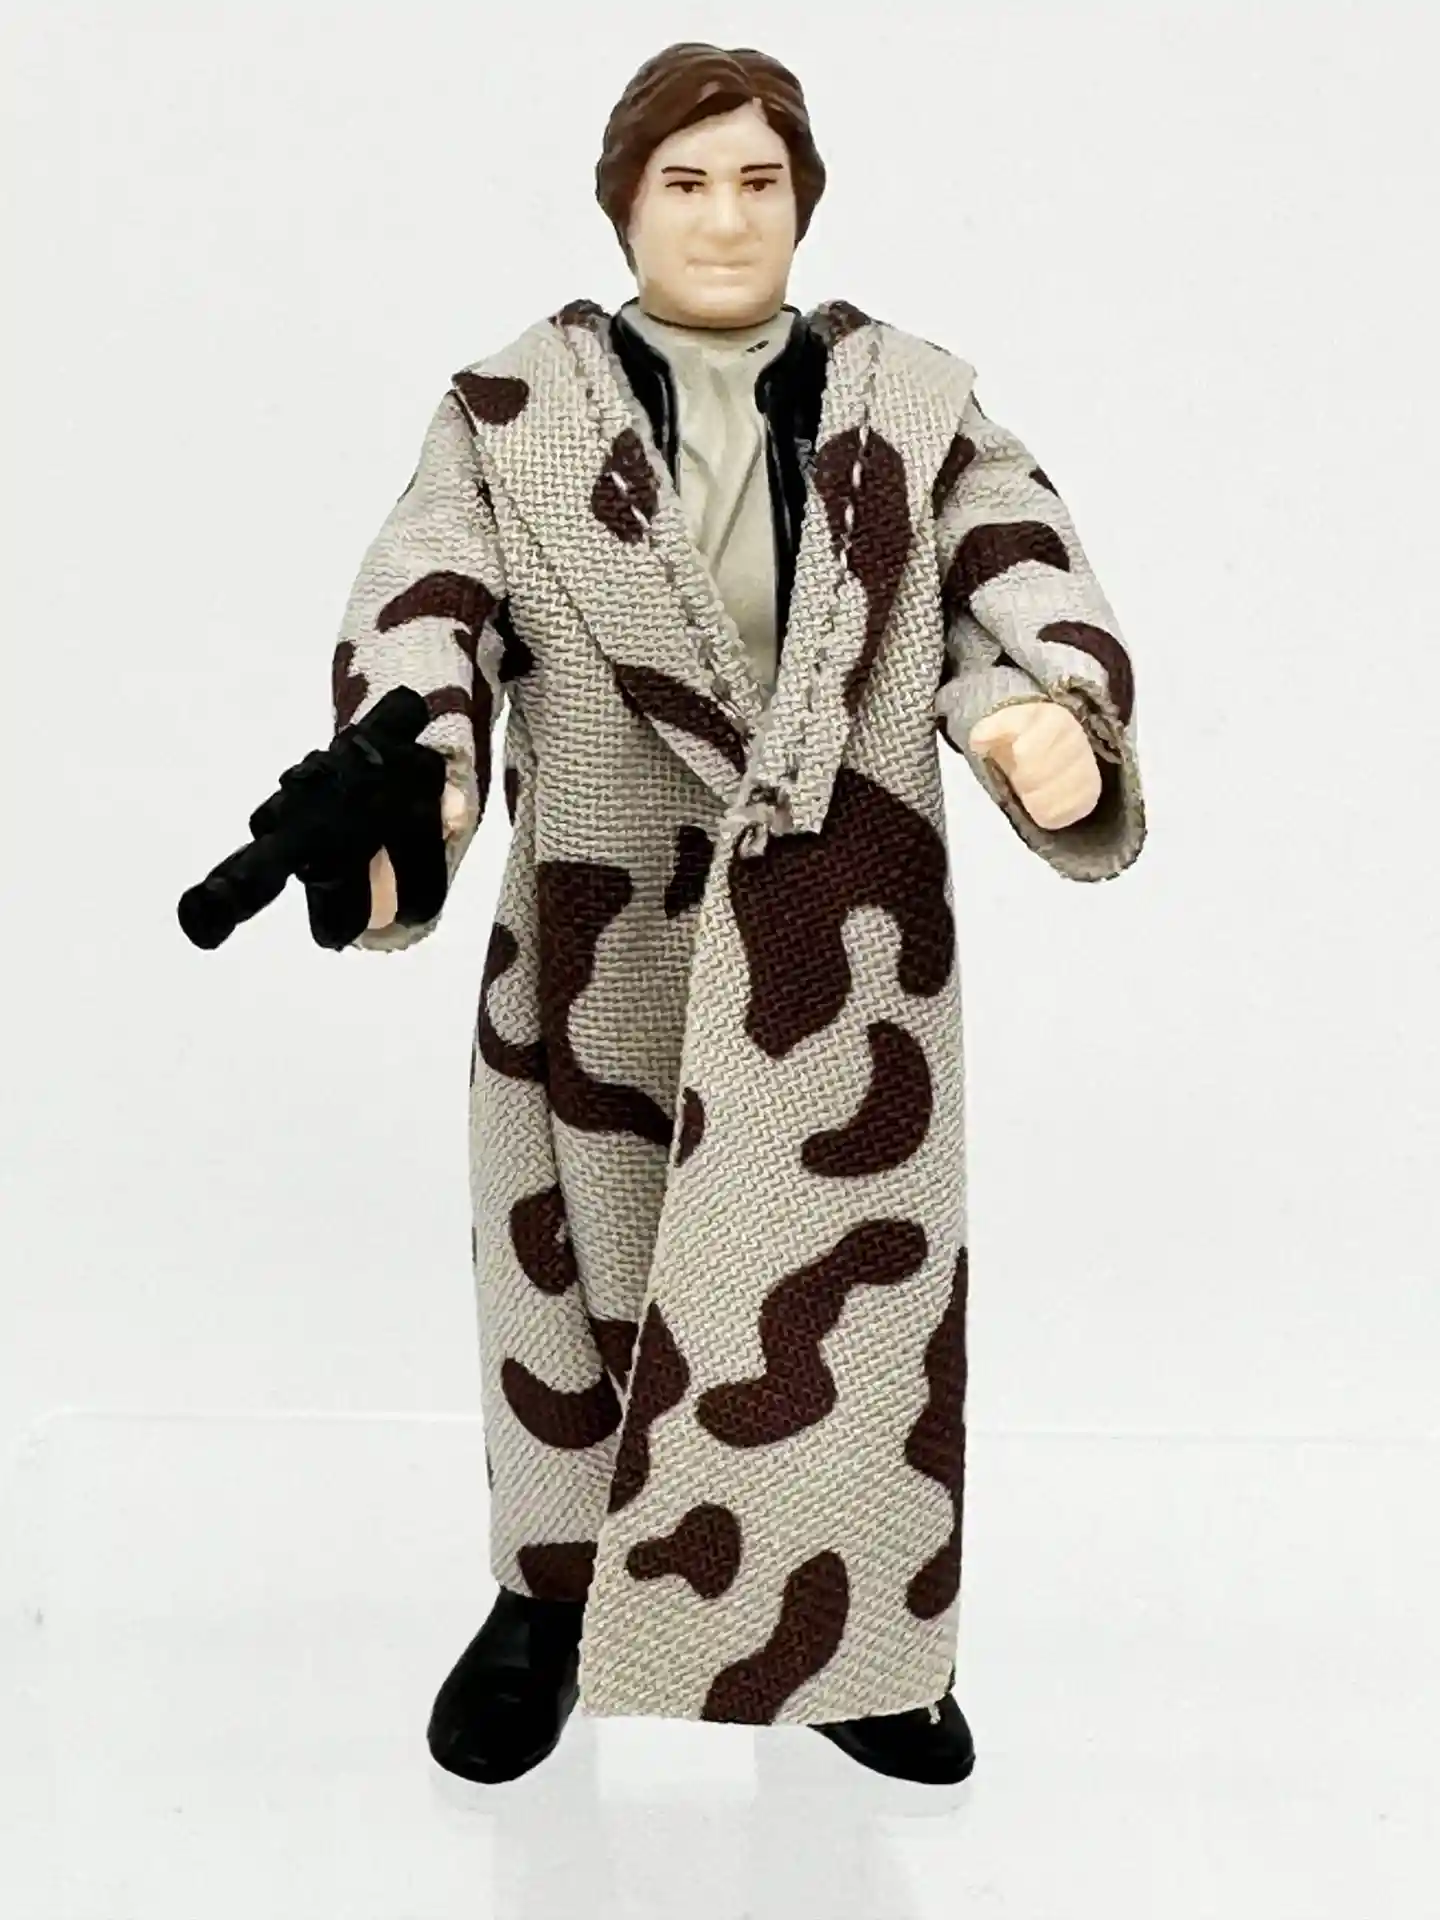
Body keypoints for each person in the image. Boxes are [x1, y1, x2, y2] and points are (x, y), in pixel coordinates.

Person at [313, 40, 1146, 1787]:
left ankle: (856, 1638)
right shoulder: (510, 418)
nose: (723, 218)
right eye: (684, 183)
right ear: (624, 204)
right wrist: (407, 772)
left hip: (846, 947)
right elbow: (429, 603)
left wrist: (1043, 706)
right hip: (600, 927)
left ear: (805, 203)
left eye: (759, 182)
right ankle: (550, 1599)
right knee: (569, 1283)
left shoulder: (911, 405)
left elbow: (1011, 557)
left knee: (857, 1309)